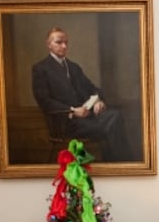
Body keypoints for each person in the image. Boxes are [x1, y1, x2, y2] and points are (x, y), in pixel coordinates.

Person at [31, 27, 132, 162]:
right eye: (59, 42)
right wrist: (72, 111)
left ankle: (119, 163)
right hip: (64, 124)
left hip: (85, 118)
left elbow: (93, 88)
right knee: (111, 124)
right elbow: (44, 102)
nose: (64, 46)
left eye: (66, 42)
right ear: (48, 44)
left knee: (115, 116)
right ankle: (121, 164)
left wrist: (98, 101)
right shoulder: (41, 69)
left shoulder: (74, 67)